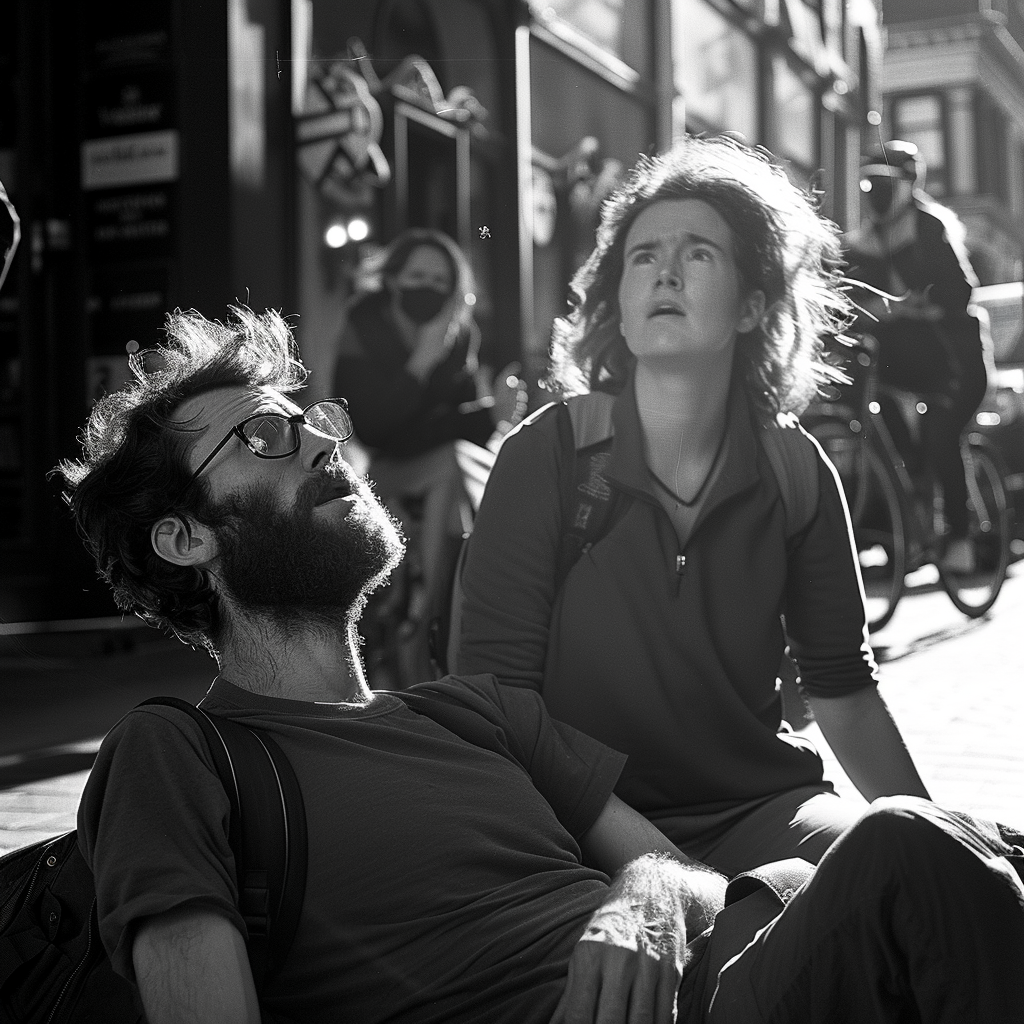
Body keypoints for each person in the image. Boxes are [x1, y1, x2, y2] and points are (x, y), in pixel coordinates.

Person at [54, 306, 1024, 1023]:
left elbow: (669, 867)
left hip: (748, 979)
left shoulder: (472, 712)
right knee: (912, 851)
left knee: (980, 846)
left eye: (311, 420)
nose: (316, 440)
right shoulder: (178, 753)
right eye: (262, 435)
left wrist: (642, 895)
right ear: (183, 538)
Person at [454, 135, 930, 878]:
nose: (665, 270)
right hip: (570, 828)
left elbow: (844, 691)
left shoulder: (795, 469)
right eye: (643, 255)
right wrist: (661, 867)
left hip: (761, 811)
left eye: (698, 252)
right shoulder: (547, 453)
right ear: (619, 296)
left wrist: (938, 842)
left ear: (752, 306)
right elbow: (496, 703)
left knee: (907, 874)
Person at [333, 228, 524, 676]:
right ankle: (441, 618)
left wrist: (493, 412)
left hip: (444, 471)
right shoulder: (364, 322)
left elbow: (457, 424)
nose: (429, 288)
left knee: (460, 470)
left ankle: (431, 617)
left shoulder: (460, 334)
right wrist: (420, 362)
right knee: (455, 467)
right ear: (394, 278)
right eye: (418, 274)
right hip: (385, 470)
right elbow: (371, 427)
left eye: (440, 281)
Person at [844, 140, 989, 573]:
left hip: (955, 364)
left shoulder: (931, 230)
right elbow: (846, 300)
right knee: (883, 430)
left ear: (909, 185)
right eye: (868, 182)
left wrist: (918, 307)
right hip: (899, 367)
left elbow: (960, 292)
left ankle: (961, 537)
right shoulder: (860, 240)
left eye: (886, 183)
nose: (875, 192)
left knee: (940, 435)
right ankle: (909, 524)